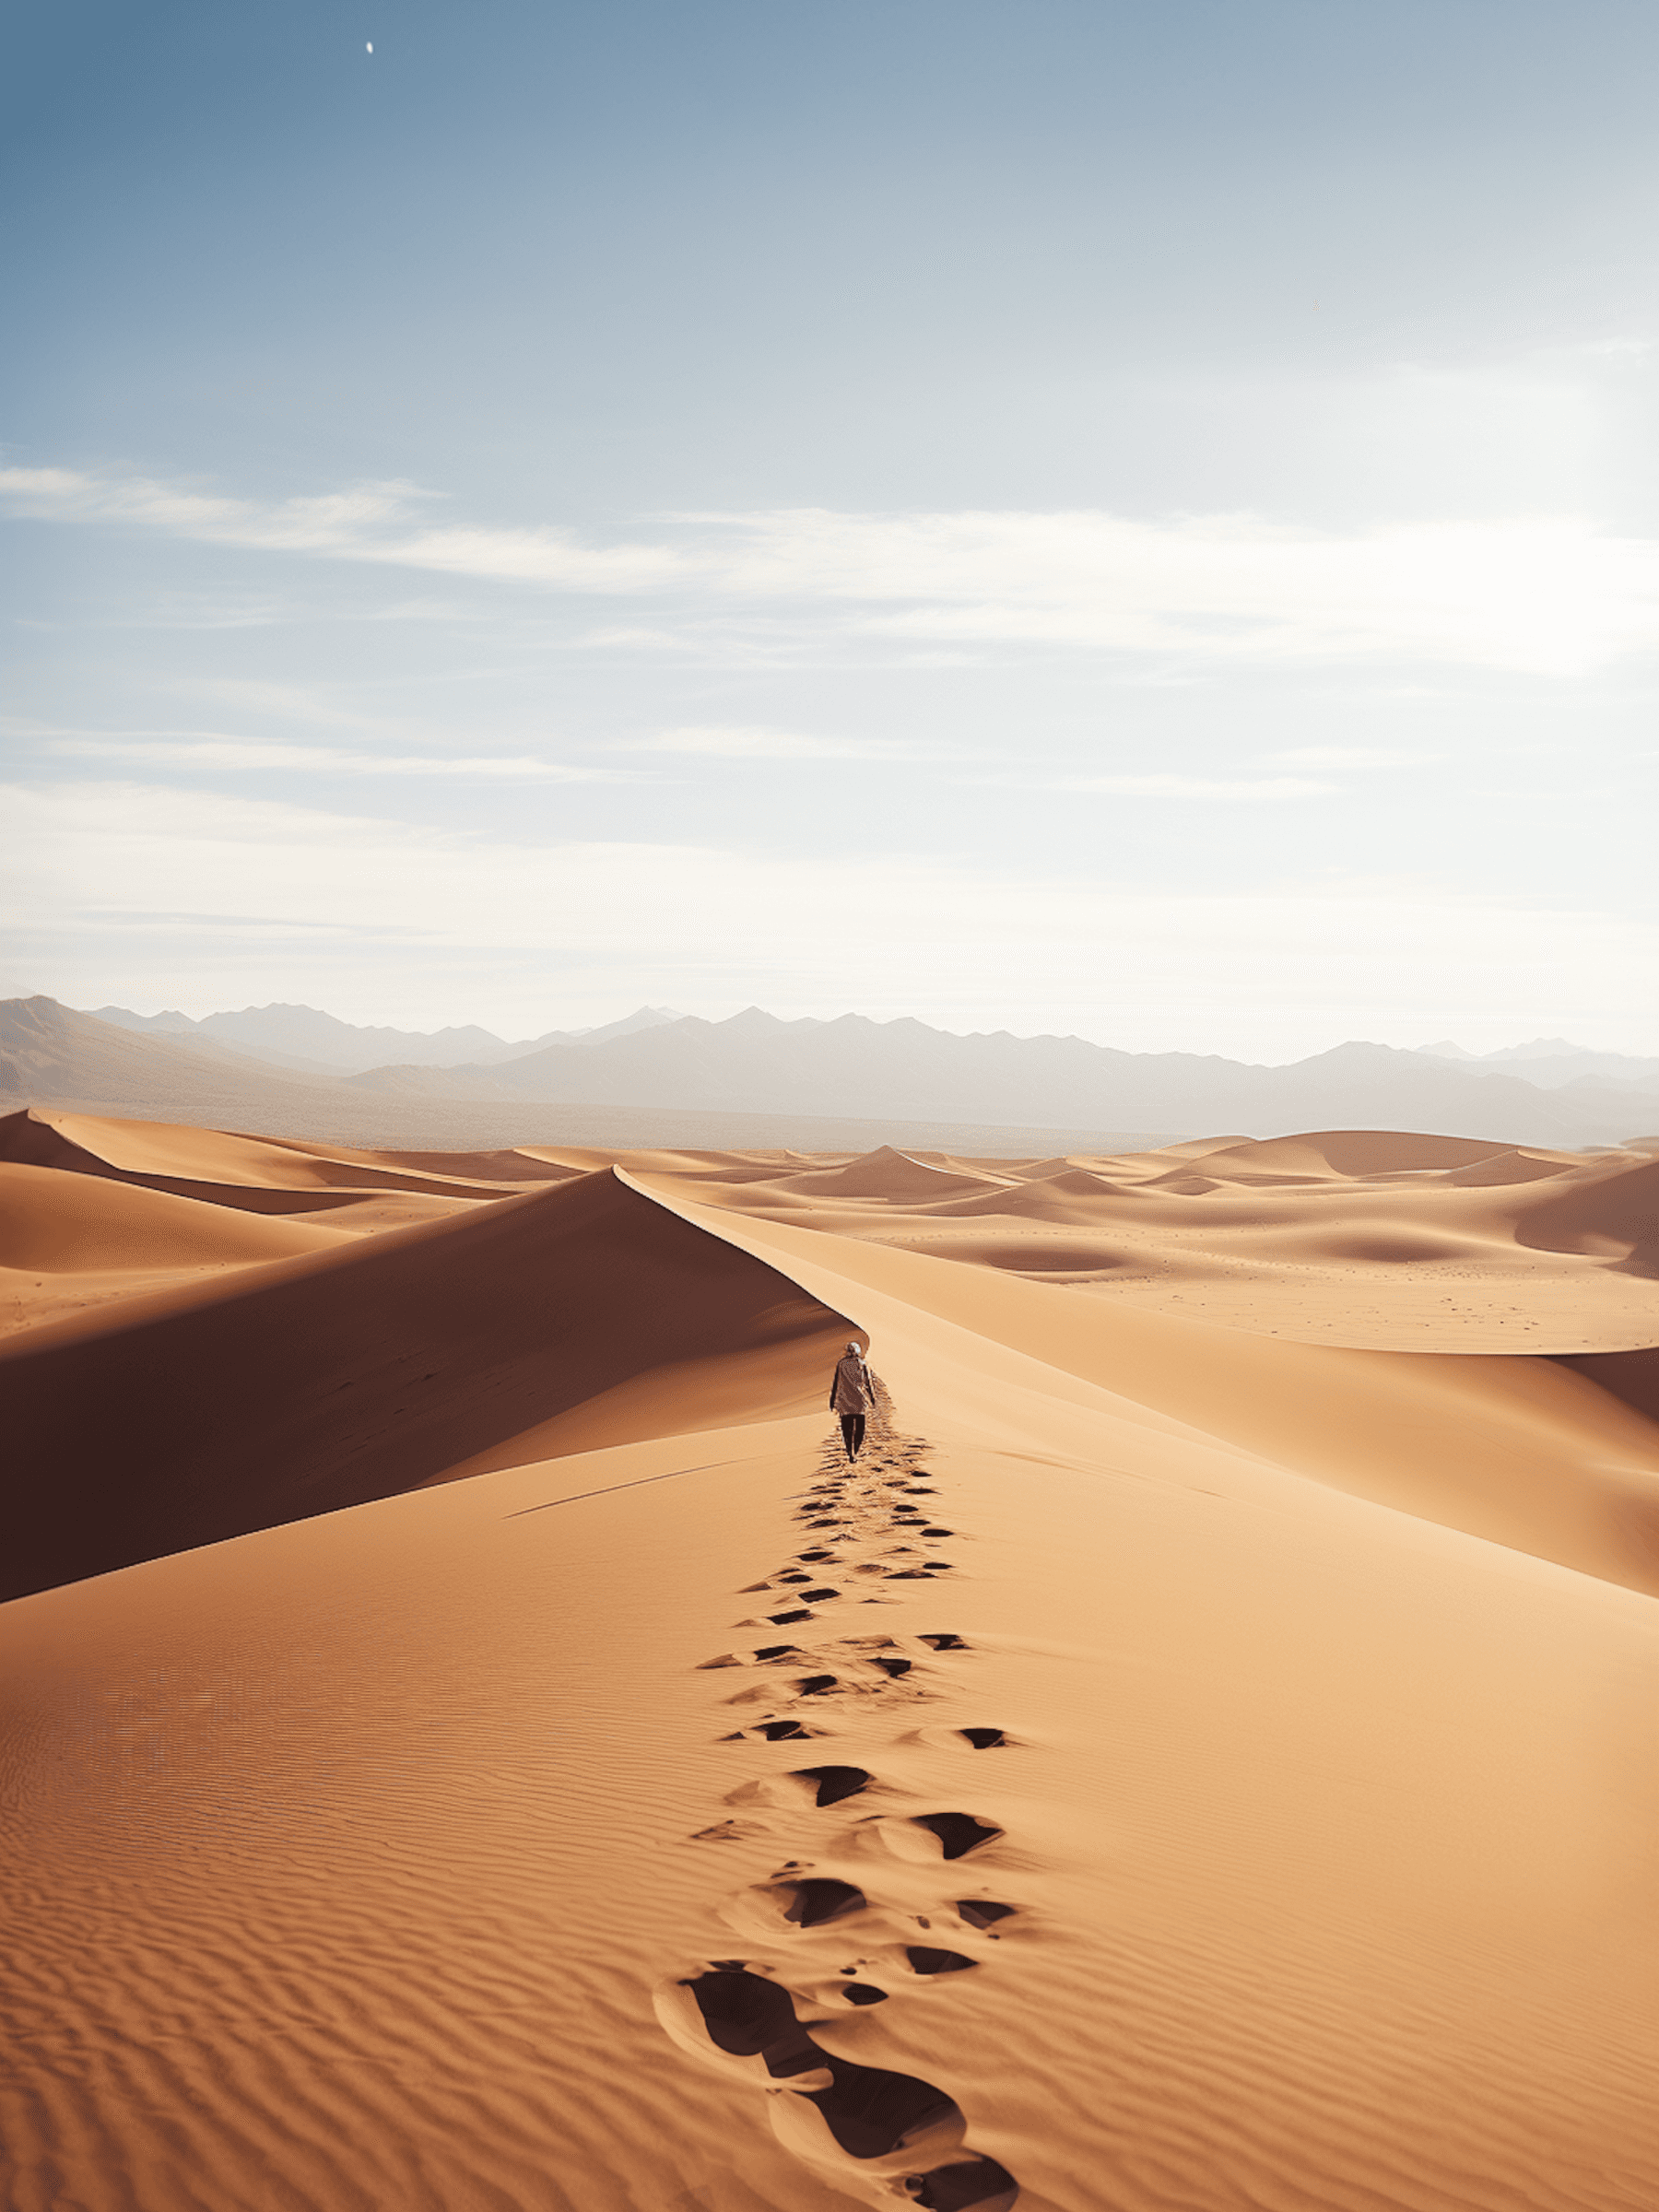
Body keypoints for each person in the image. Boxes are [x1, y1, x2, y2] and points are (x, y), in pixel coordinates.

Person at [829, 1338, 877, 1460]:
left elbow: (835, 1382)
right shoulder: (862, 1364)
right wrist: (872, 1398)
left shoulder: (841, 1364)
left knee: (847, 1429)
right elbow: (868, 1383)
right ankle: (856, 1450)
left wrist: (832, 1400)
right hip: (859, 1401)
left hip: (844, 1401)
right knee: (860, 1429)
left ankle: (850, 1451)